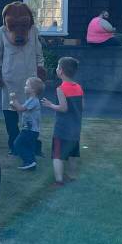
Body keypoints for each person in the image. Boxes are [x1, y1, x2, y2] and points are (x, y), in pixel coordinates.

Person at [0, 1, 46, 151]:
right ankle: (14, 145)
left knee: (31, 114)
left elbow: (39, 54)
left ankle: (32, 144)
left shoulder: (33, 31)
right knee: (10, 113)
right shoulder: (2, 31)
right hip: (9, 80)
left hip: (30, 81)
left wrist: (40, 69)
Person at [41, 57, 84, 186]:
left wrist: (50, 105)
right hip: (75, 127)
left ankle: (59, 180)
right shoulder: (78, 87)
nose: (56, 69)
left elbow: (63, 108)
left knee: (58, 155)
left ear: (61, 71)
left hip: (62, 128)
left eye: (58, 67)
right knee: (72, 154)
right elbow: (82, 106)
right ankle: (72, 176)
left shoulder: (61, 88)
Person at [9, 76, 44, 170]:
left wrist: (14, 99)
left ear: (33, 90)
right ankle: (31, 164)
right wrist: (14, 105)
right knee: (28, 146)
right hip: (31, 129)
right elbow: (21, 109)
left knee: (18, 144)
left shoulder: (33, 100)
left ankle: (29, 161)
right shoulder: (30, 100)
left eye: (27, 85)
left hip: (30, 130)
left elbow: (21, 109)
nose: (24, 87)